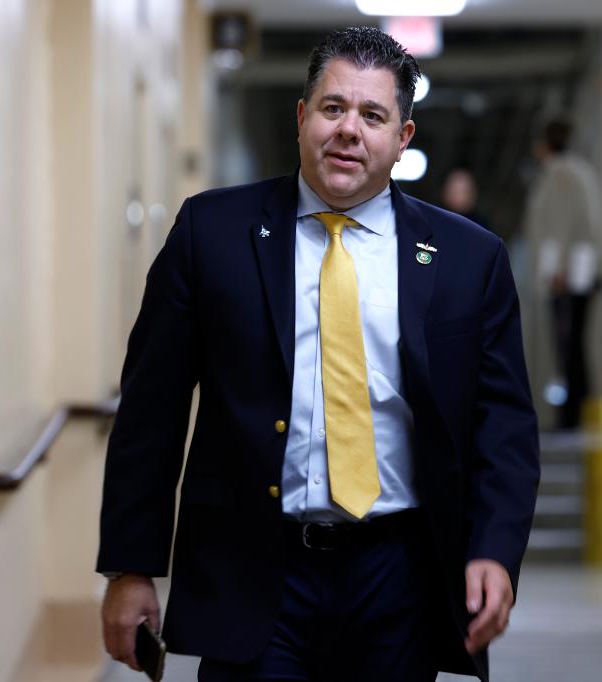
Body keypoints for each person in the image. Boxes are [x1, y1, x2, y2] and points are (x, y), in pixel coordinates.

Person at [96, 27, 539, 682]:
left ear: (402, 139)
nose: (348, 131)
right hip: (253, 567)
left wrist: (495, 551)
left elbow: (502, 425)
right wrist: (131, 566)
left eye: (372, 116)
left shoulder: (470, 260)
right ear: (303, 118)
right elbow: (151, 413)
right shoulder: (211, 233)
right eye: (333, 108)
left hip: (401, 575)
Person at [523, 117, 602, 430]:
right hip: (580, 271)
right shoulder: (580, 171)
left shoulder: (559, 174)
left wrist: (556, 271)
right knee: (575, 345)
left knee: (567, 346)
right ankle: (576, 412)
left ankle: (572, 417)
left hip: (569, 275)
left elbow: (559, 226)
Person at [441, 167, 493, 233]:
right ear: (445, 192)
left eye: (464, 192)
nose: (460, 197)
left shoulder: (482, 229)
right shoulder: (432, 218)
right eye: (455, 192)